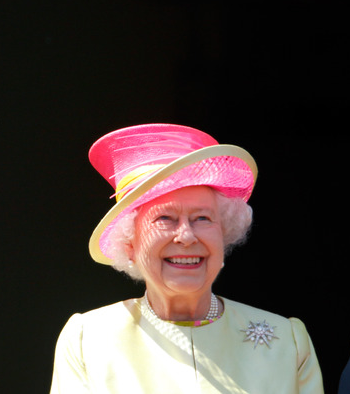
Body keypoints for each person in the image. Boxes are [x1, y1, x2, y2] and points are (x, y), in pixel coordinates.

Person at [50, 123, 323, 393]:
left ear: (223, 236)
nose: (186, 236)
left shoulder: (287, 341)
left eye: (202, 218)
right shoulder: (88, 338)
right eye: (165, 218)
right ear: (129, 243)